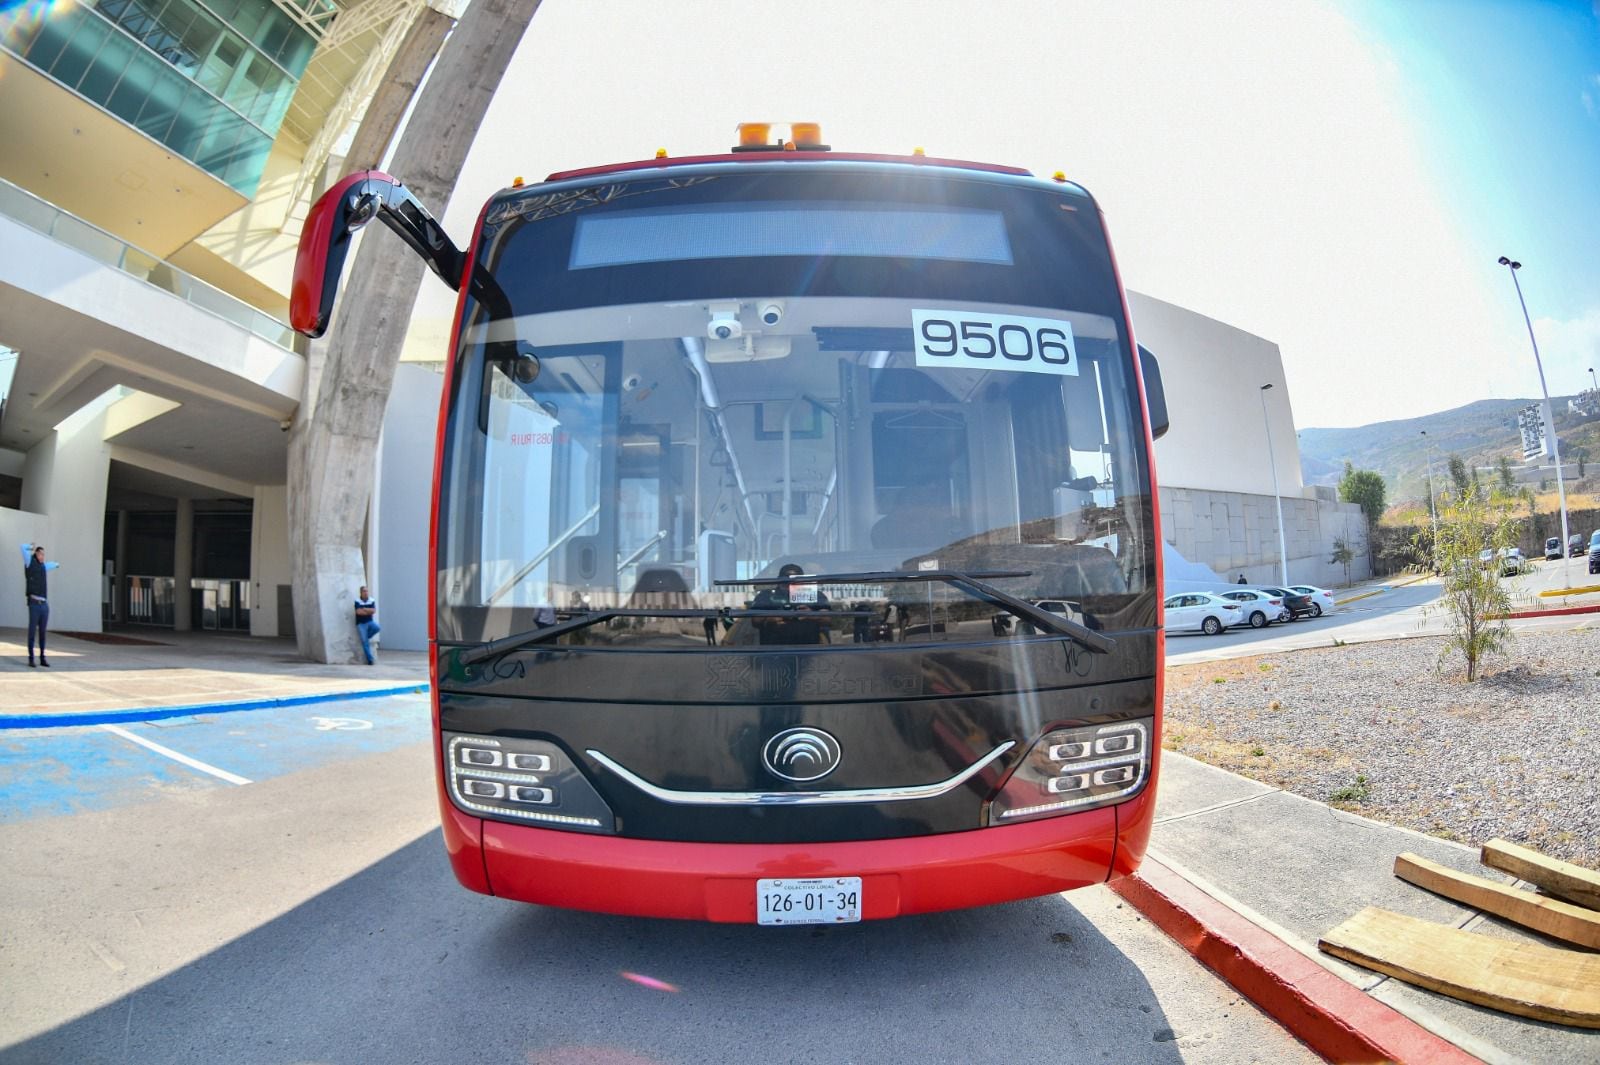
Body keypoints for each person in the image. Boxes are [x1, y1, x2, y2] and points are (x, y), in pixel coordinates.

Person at [751, 563, 831, 645]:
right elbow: (755, 620)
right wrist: (769, 619)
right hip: (774, 647)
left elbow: (828, 619)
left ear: (802, 580)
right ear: (779, 580)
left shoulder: (815, 595)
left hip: (809, 647)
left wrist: (811, 615)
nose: (789, 584)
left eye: (795, 580)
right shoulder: (766, 595)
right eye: (786, 580)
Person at [21, 542, 59, 667]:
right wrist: (30, 547)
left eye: (44, 554)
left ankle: (42, 657)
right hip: (34, 604)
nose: (42, 556)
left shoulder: (43, 567)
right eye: (40, 554)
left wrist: (57, 564)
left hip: (44, 605)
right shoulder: (30, 563)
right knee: (32, 632)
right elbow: (22, 547)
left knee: (42, 633)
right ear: (36, 554)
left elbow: (50, 565)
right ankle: (31, 658)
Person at [354, 585, 380, 665]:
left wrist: (364, 609)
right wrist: (368, 611)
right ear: (361, 592)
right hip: (361, 624)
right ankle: (370, 659)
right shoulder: (357, 601)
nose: (366, 593)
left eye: (367, 591)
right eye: (364, 591)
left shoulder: (371, 600)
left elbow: (373, 611)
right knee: (365, 643)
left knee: (377, 628)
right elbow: (358, 612)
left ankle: (366, 637)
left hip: (369, 621)